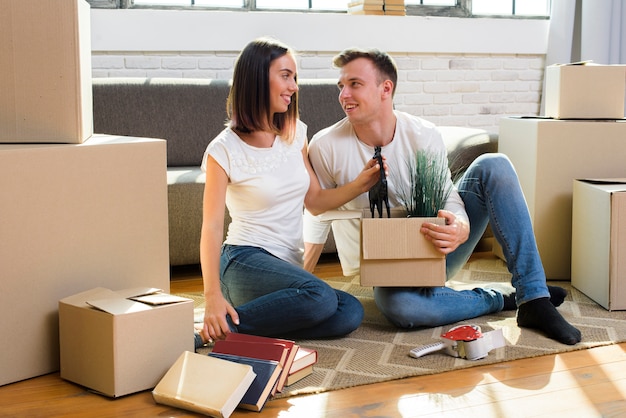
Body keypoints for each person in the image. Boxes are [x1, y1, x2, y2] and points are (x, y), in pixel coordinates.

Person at [303, 48, 582, 346]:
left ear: (386, 88)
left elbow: (447, 194)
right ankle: (501, 298)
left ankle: (535, 298)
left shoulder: (423, 134)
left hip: (435, 249)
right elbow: (317, 213)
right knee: (403, 309)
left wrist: (460, 224)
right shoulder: (326, 146)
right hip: (384, 266)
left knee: (495, 166)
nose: (343, 94)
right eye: (340, 86)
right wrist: (301, 282)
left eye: (354, 84)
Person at [195, 38, 384, 348]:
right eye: (285, 75)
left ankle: (237, 327)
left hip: (286, 270)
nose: (294, 86)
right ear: (256, 78)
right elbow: (212, 227)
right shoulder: (223, 149)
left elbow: (314, 202)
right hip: (244, 260)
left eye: (294, 77)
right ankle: (220, 324)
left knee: (349, 311)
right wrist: (211, 296)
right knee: (321, 297)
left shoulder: (295, 134)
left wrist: (359, 185)